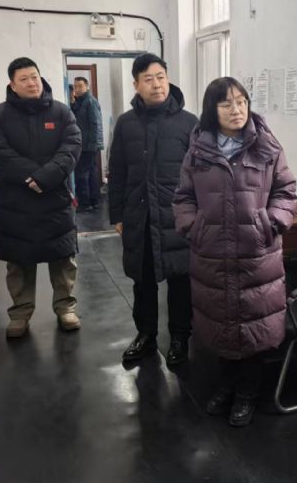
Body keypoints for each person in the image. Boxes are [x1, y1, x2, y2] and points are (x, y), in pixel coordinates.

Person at [173, 77, 297, 426]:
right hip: (212, 252)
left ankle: (247, 394)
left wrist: (271, 223)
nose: (236, 109)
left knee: (251, 325)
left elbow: (286, 190)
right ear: (212, 109)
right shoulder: (199, 149)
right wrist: (193, 227)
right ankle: (226, 386)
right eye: (226, 103)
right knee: (221, 323)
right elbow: (183, 196)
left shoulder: (267, 146)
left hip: (256, 253)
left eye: (241, 101)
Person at [108, 53, 198, 366]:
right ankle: (146, 335)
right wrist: (117, 215)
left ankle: (180, 338)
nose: (157, 84)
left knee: (180, 280)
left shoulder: (189, 123)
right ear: (136, 84)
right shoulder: (126, 123)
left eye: (161, 77)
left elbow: (201, 174)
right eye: (148, 79)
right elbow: (117, 171)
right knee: (142, 280)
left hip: (178, 218)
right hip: (140, 216)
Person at [0, 57, 82, 338]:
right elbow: (0, 153)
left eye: (35, 77)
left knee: (63, 257)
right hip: (16, 200)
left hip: (55, 197)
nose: (32, 83)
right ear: (12, 85)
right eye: (24, 79)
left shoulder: (61, 112)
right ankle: (20, 314)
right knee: (19, 261)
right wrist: (32, 177)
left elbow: (71, 147)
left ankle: (65, 307)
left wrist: (46, 177)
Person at [71, 76, 104, 211]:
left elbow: (95, 124)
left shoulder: (90, 101)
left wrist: (93, 145)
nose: (77, 89)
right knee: (90, 173)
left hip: (88, 145)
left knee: (81, 174)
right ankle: (93, 201)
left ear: (87, 87)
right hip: (85, 144)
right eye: (75, 86)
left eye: (80, 86)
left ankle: (85, 204)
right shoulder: (80, 102)